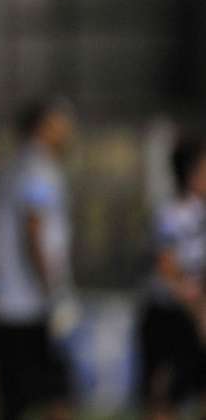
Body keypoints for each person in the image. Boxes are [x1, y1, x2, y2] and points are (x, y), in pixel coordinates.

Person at [0, 98, 77, 420]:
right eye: (60, 122)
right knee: (58, 396)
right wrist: (54, 290)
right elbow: (33, 229)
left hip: (5, 303)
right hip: (29, 305)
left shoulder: (13, 166)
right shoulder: (39, 167)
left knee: (13, 402)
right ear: (43, 126)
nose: (66, 129)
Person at [138, 134, 206, 420]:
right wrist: (196, 306)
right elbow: (166, 265)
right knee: (165, 398)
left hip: (194, 313)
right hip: (170, 315)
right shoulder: (170, 214)